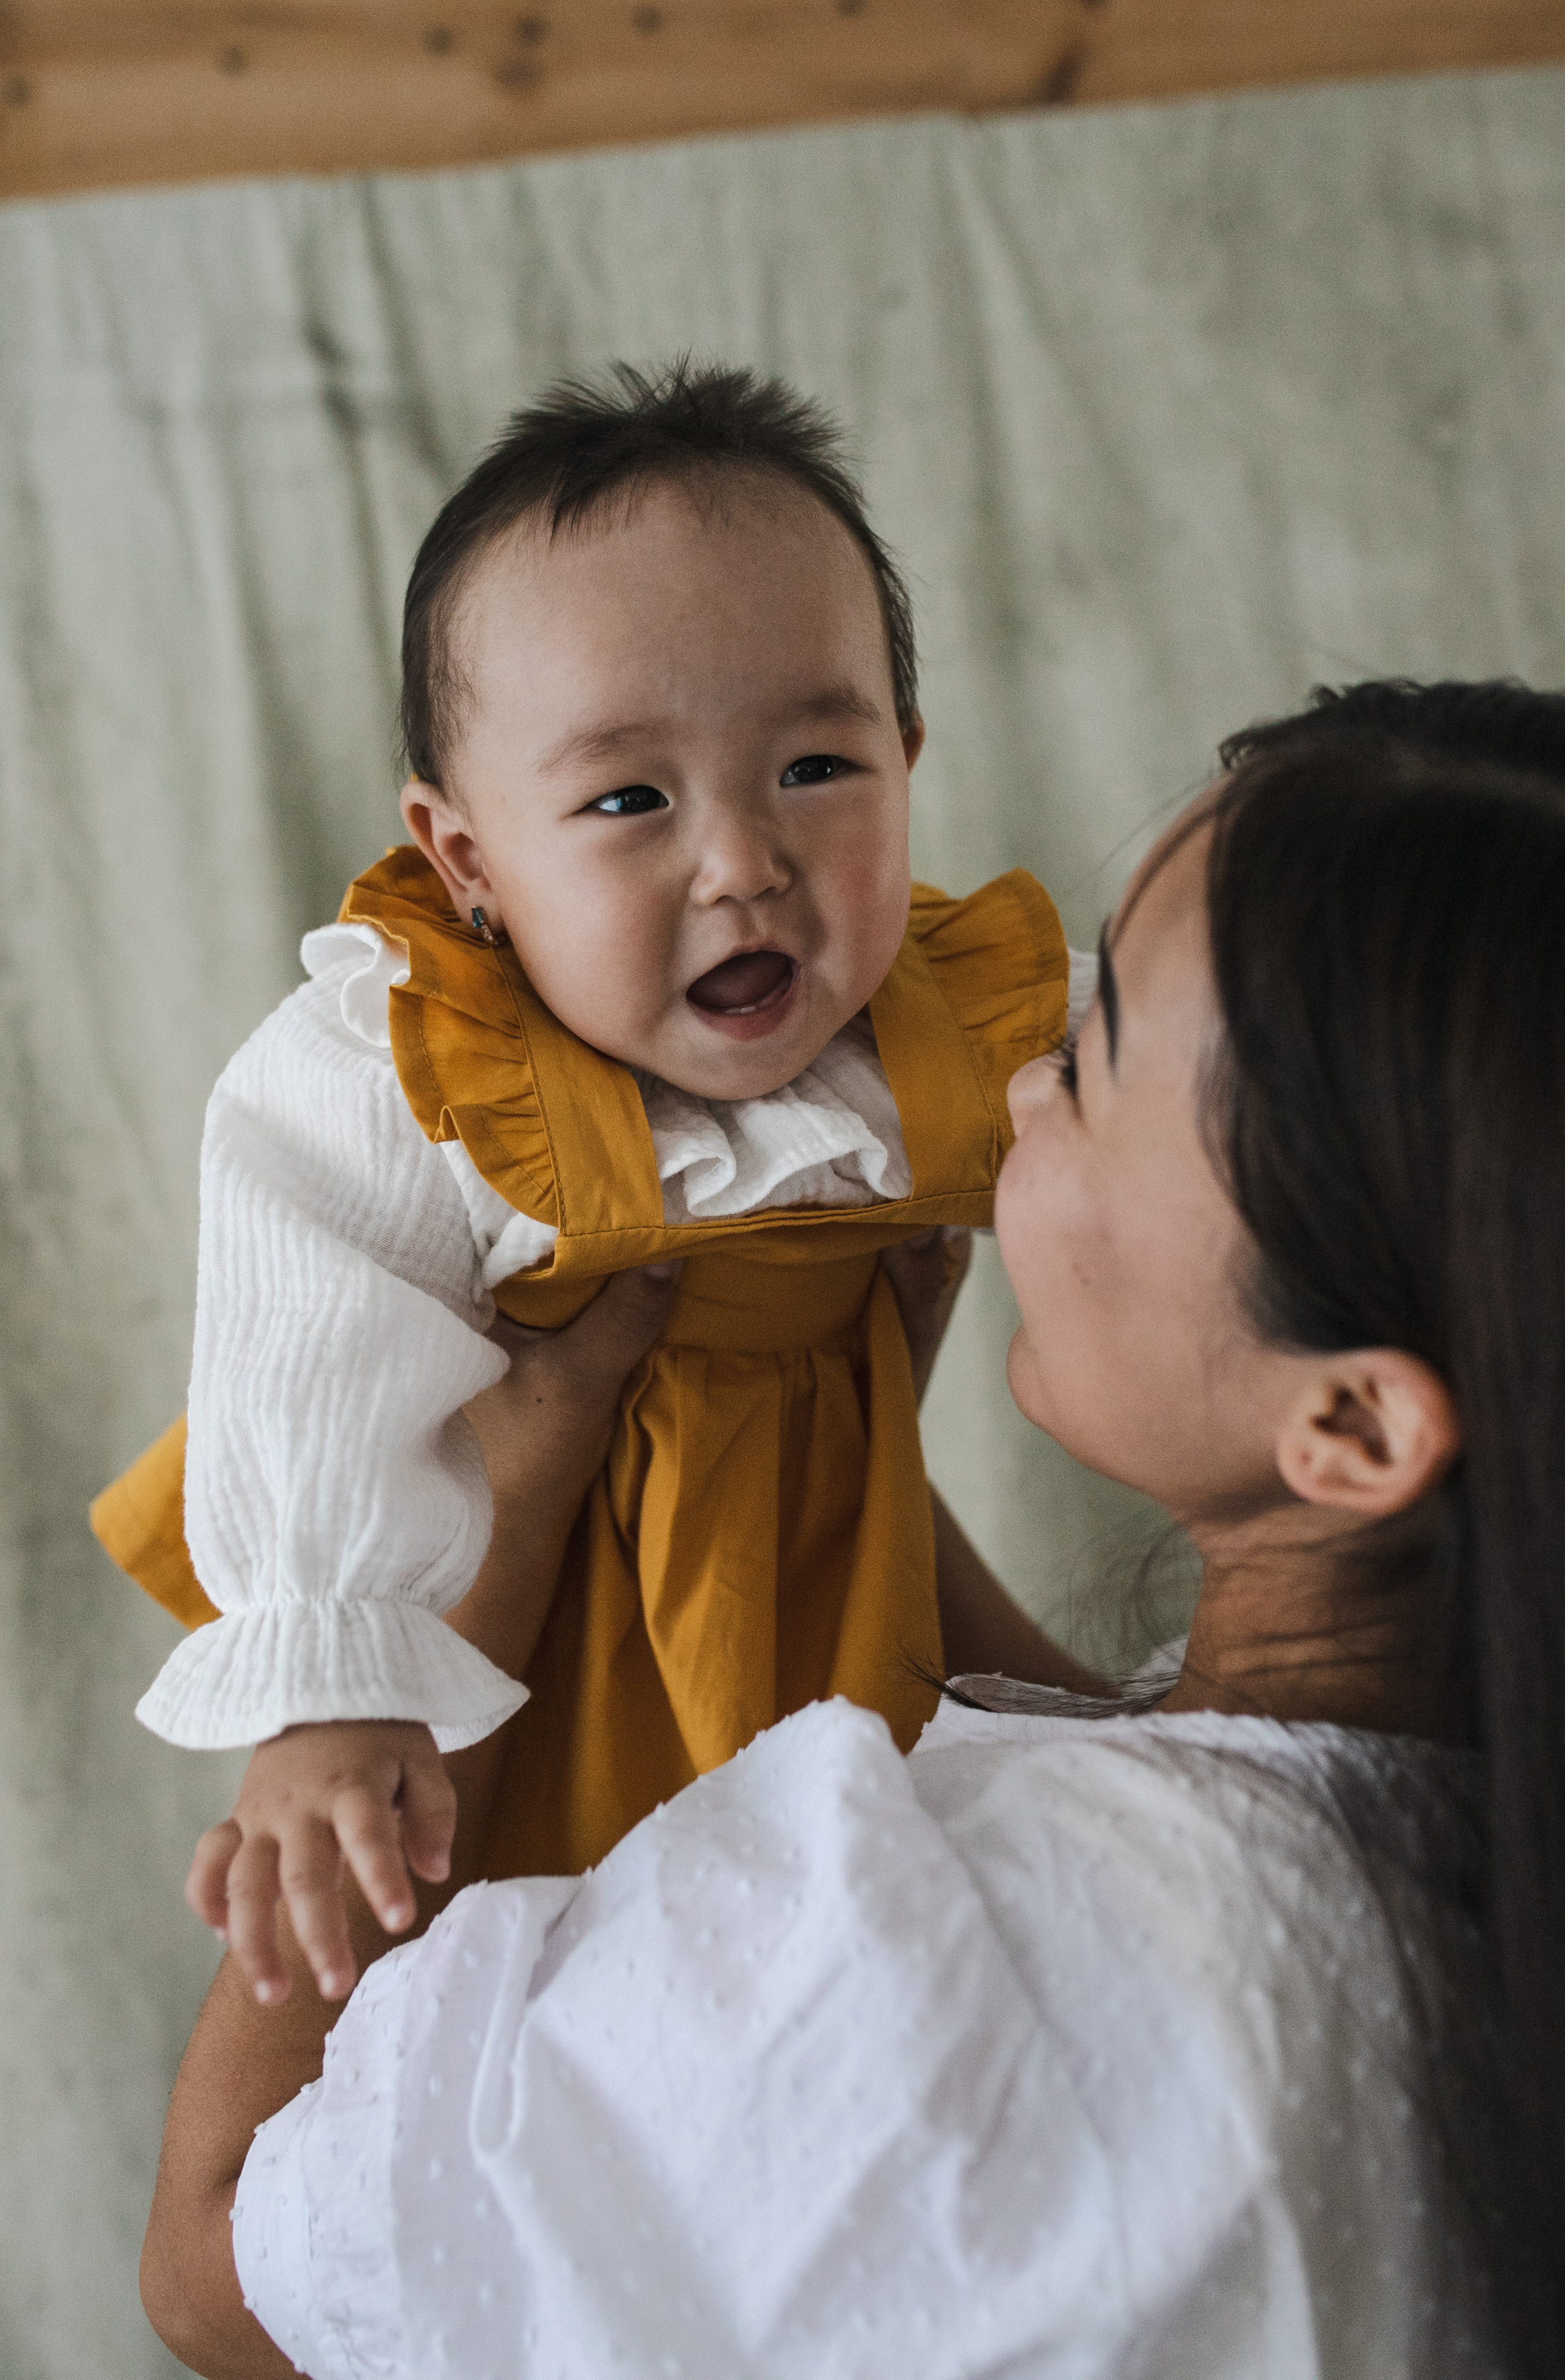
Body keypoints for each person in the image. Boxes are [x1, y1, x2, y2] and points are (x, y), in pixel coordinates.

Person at [141, 679, 1565, 2379]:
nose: (1008, 1092)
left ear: (1352, 1423)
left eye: (1091, 1063)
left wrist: (507, 1506)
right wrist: (825, 1435)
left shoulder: (898, 1982)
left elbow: (226, 2259)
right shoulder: (1527, 1860)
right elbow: (1148, 1763)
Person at [91, 359, 1087, 2001]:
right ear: (468, 862)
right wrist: (332, 1696)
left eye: (816, 770)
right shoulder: (408, 1073)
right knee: (525, 1955)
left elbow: (1176, 1085)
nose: (742, 862)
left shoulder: (943, 1020)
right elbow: (302, 1337)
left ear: (908, 758)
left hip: (824, 1566)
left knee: (851, 1942)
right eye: (629, 800)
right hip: (518, 1633)